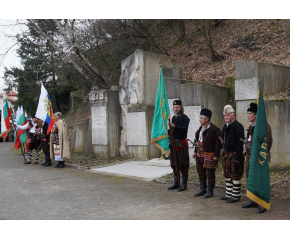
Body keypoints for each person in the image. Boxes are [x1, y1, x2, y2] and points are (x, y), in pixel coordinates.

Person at [242, 102, 273, 213]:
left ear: (256, 115)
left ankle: (262, 202)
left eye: (250, 113)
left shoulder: (264, 126)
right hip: (250, 157)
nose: (248, 115)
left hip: (259, 158)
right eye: (247, 113)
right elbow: (250, 140)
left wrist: (259, 152)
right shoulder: (251, 127)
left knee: (260, 179)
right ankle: (253, 200)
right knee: (250, 177)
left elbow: (268, 141)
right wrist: (245, 146)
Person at [193, 108, 221, 198]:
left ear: (207, 119)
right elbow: (196, 141)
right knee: (200, 171)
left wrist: (216, 155)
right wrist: (195, 151)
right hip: (199, 154)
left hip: (209, 154)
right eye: (199, 117)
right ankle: (202, 189)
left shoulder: (215, 129)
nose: (199, 120)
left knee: (210, 173)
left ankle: (210, 191)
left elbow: (218, 143)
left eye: (201, 118)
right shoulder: (200, 129)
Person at [220, 105, 245, 203]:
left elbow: (240, 142)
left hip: (235, 155)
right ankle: (229, 194)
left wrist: (238, 158)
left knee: (235, 175)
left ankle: (235, 196)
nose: (226, 117)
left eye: (228, 115)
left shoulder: (238, 126)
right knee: (227, 174)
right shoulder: (225, 126)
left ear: (233, 116)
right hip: (227, 155)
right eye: (225, 116)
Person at [167, 100, 190, 191]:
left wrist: (174, 126)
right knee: (174, 163)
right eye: (174, 107)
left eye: (177, 107)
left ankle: (184, 185)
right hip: (174, 145)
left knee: (183, 164)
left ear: (181, 107)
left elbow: (184, 129)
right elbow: (173, 132)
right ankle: (176, 183)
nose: (175, 109)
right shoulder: (173, 118)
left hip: (182, 145)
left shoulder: (185, 118)